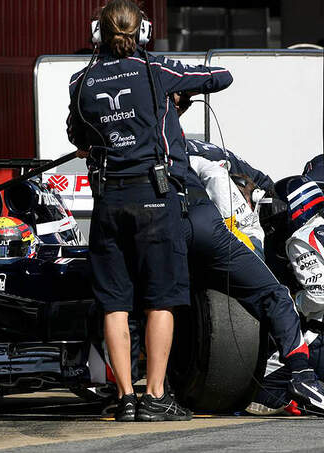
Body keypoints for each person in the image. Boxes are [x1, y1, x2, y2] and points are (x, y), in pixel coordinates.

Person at [67, 0, 232, 422]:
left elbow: (77, 136)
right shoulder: (155, 69)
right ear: (142, 33)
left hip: (108, 202)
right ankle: (156, 396)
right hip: (155, 197)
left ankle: (125, 398)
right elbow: (222, 76)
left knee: (114, 304)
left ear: (97, 33)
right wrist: (179, 94)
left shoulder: (80, 80)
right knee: (161, 299)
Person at [170, 94, 324, 415]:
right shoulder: (211, 156)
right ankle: (302, 373)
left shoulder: (168, 149)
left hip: (165, 227)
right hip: (210, 228)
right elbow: (256, 187)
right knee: (272, 294)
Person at [245, 176, 324, 414]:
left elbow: (319, 295)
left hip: (320, 339)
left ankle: (305, 398)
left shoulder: (300, 238)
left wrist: (292, 300)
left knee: (261, 391)